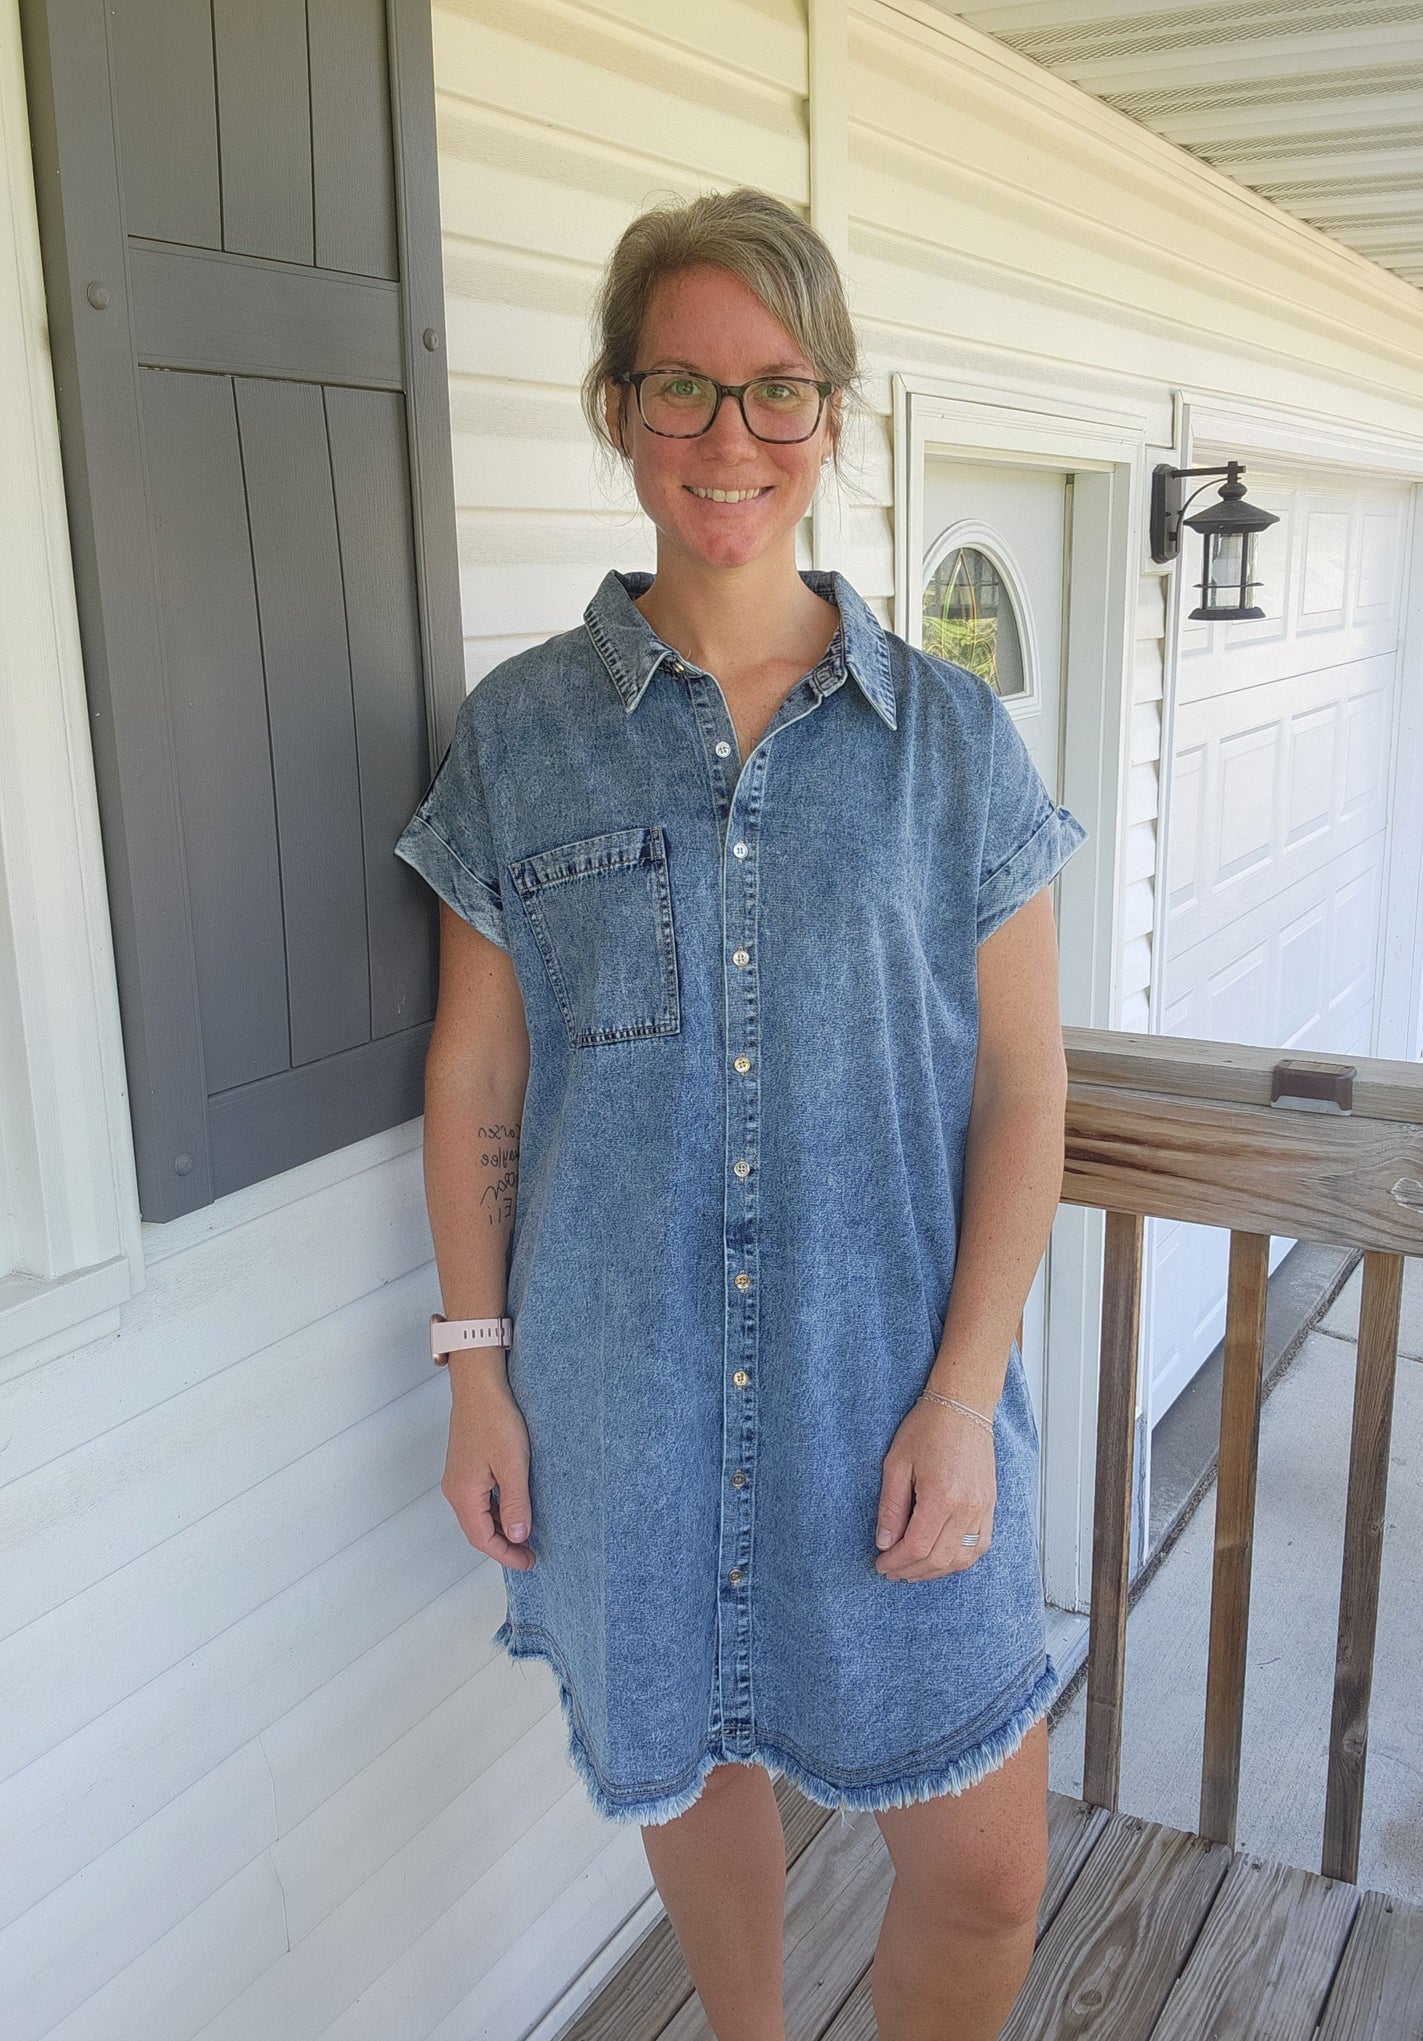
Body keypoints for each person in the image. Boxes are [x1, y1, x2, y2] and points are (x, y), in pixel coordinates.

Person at [393, 186, 1088, 2041]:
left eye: (778, 390)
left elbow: (1027, 1080)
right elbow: (480, 1062)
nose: (730, 438)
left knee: (989, 1868)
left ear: (833, 422)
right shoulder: (525, 733)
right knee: (692, 1773)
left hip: (899, 1394)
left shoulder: (949, 739)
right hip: (622, 1395)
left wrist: (964, 1388)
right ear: (617, 410)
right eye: (682, 387)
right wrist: (476, 1366)